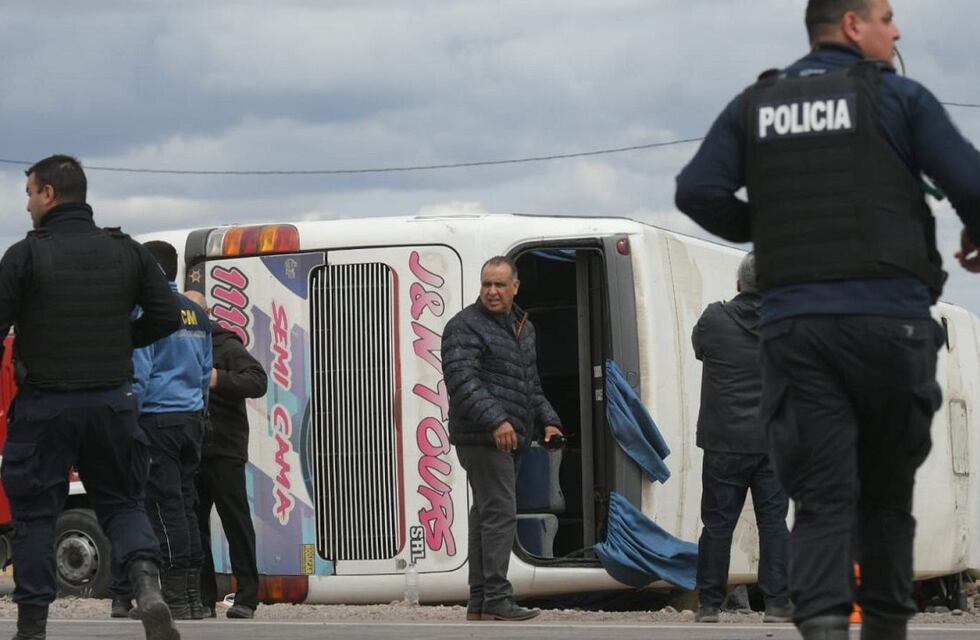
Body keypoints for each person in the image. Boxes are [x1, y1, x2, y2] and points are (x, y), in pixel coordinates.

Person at [675, 1, 980, 638]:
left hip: (798, 330)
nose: (896, 32)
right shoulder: (901, 99)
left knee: (820, 499)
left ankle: (822, 629)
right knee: (886, 498)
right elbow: (971, 183)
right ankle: (886, 629)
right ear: (852, 26)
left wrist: (773, 232)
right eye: (887, 18)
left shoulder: (757, 106)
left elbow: (696, 190)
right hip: (889, 324)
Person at [0, 155, 181, 640]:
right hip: (113, 401)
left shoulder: (24, 255)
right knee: (124, 501)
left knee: (36, 513)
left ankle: (33, 627)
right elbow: (166, 314)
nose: (27, 206)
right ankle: (145, 585)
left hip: (45, 405)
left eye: (30, 194)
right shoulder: (128, 251)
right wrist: (121, 342)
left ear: (50, 195)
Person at [441, 256, 563, 622]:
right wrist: (497, 422)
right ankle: (496, 596)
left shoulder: (523, 327)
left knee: (486, 515)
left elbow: (530, 385)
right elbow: (463, 382)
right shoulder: (464, 326)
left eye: (499, 285)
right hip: (482, 437)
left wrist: (550, 421)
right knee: (500, 513)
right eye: (486, 285)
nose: (491, 292)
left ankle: (480, 602)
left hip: (512, 438)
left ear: (515, 287)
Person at [110, 242, 212, 622]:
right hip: (190, 421)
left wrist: (127, 422)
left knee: (161, 508)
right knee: (185, 506)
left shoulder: (148, 312)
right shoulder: (197, 315)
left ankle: (171, 599)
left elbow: (141, 376)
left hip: (156, 421)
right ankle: (192, 599)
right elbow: (204, 375)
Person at [692, 253, 791, 624]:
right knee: (773, 522)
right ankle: (778, 604)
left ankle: (709, 605)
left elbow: (700, 350)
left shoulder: (713, 319)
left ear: (738, 285)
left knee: (717, 524)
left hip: (723, 440)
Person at [186, 290, 267, 620]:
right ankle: (205, 598)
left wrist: (219, 379)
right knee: (195, 526)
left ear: (206, 313)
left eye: (195, 313)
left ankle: (247, 596)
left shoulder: (225, 343)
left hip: (225, 449)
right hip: (191, 449)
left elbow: (257, 380)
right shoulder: (178, 345)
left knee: (236, 522)